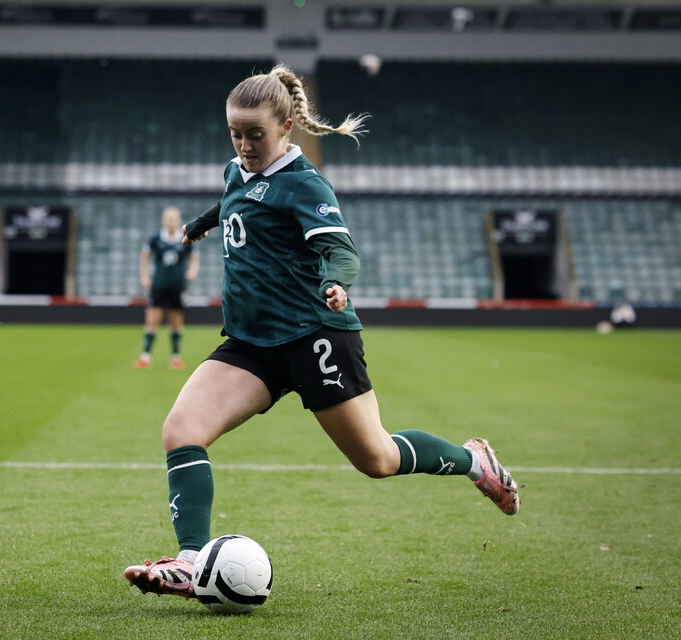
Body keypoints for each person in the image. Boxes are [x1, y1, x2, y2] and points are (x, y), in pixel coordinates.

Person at [123, 64, 519, 600]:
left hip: (316, 337)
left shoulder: (305, 184)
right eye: (235, 133)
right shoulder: (237, 171)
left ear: (286, 126)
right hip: (251, 344)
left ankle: (475, 461)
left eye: (255, 134)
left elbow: (341, 249)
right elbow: (235, 200)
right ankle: (190, 561)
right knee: (181, 429)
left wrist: (335, 283)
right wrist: (200, 225)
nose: (244, 145)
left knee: (377, 459)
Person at [134, 206, 200, 370]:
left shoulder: (185, 238)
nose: (170, 220)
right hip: (159, 285)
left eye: (174, 217)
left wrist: (192, 272)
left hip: (178, 285)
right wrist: (144, 276)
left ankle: (176, 358)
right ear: (163, 220)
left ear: (179, 220)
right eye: (168, 217)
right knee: (152, 319)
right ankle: (145, 356)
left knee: (176, 321)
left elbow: (194, 258)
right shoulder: (155, 238)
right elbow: (144, 257)